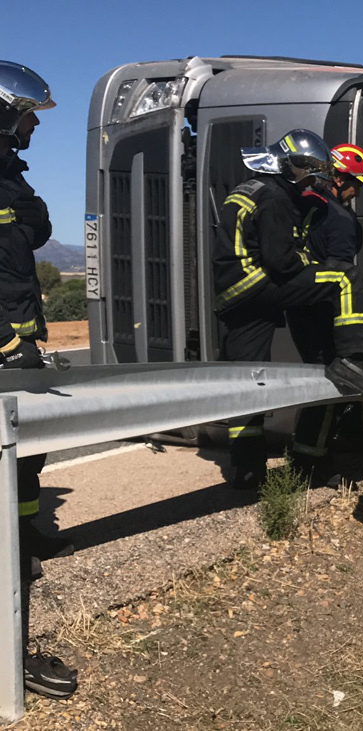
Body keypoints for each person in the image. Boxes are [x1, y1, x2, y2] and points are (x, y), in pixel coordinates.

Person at [214, 129, 363, 492]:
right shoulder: (274, 198)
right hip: (258, 285)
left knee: (248, 383)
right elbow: (281, 261)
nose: (316, 186)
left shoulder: (250, 189)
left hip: (233, 299)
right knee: (344, 277)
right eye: (313, 176)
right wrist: (311, 265)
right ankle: (352, 361)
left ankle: (246, 471)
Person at [0, 59, 77, 700]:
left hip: (17, 346)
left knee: (26, 462)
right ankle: (7, 654)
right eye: (26, 114)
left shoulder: (10, 180)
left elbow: (38, 230)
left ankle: (24, 543)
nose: (33, 127)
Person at [287, 144, 363, 472]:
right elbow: (345, 276)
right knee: (333, 383)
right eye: (356, 183)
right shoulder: (339, 218)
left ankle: (304, 453)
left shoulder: (304, 201)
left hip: (298, 307)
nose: (357, 193)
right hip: (324, 310)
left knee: (315, 376)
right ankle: (311, 463)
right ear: (340, 178)